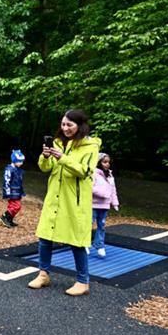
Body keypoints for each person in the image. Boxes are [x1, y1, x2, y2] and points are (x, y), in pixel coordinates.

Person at [28, 109, 101, 296]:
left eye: (70, 124)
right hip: (54, 198)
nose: (65, 128)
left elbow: (85, 171)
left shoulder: (90, 146)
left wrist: (63, 158)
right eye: (63, 124)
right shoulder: (58, 143)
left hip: (74, 202)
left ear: (80, 125)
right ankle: (43, 274)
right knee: (45, 237)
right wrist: (45, 156)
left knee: (77, 241)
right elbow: (46, 168)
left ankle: (83, 281)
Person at [89, 153, 119, 258]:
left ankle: (100, 245)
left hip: (104, 205)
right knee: (88, 225)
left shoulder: (110, 175)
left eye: (108, 162)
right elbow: (89, 188)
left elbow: (113, 190)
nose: (107, 164)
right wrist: (103, 193)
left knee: (101, 225)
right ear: (98, 162)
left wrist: (115, 202)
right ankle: (84, 244)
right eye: (104, 162)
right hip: (93, 204)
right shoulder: (93, 173)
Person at [0, 149, 25, 228]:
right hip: (12, 192)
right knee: (16, 206)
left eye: (22, 161)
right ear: (14, 160)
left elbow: (19, 182)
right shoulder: (9, 170)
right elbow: (6, 181)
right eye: (19, 161)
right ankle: (5, 217)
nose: (21, 163)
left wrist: (21, 191)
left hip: (17, 192)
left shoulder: (17, 170)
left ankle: (9, 219)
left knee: (14, 206)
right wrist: (6, 192)